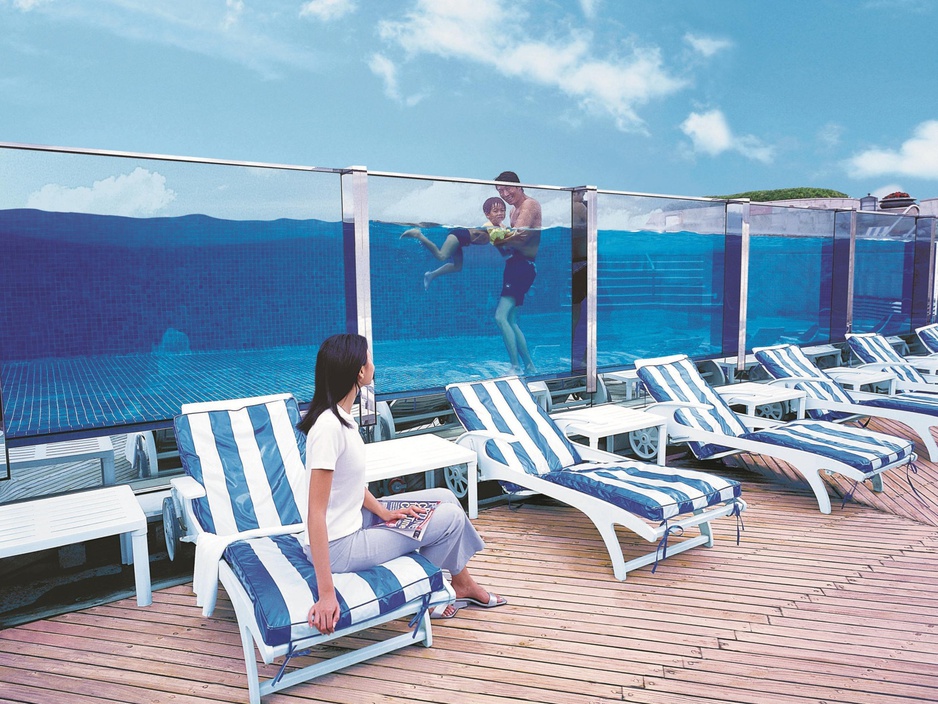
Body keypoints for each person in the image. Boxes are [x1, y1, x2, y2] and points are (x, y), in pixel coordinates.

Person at [297, 333, 506, 633]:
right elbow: (315, 512)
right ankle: (429, 593)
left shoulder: (341, 419)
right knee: (451, 518)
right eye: (369, 356)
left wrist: (383, 512)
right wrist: (326, 594)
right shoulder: (329, 428)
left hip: (352, 521)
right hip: (339, 547)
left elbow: (350, 485)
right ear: (359, 371)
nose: (372, 362)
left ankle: (461, 584)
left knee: (444, 497)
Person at [492, 171, 542, 375]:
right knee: (511, 320)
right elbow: (512, 241)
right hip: (518, 266)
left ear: (518, 186)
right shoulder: (513, 211)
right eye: (499, 190)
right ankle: (529, 366)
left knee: (500, 317)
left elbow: (520, 237)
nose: (504, 194)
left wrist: (497, 236)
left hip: (522, 267)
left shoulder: (529, 205)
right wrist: (499, 231)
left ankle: (515, 367)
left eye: (507, 188)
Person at [401, 197, 508, 290]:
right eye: (495, 211)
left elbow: (499, 244)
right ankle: (418, 235)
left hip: (462, 241)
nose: (500, 213)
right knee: (441, 256)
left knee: (457, 267)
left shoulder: (498, 228)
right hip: (458, 235)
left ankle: (431, 275)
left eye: (502, 210)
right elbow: (498, 239)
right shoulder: (490, 226)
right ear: (487, 214)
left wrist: (506, 254)